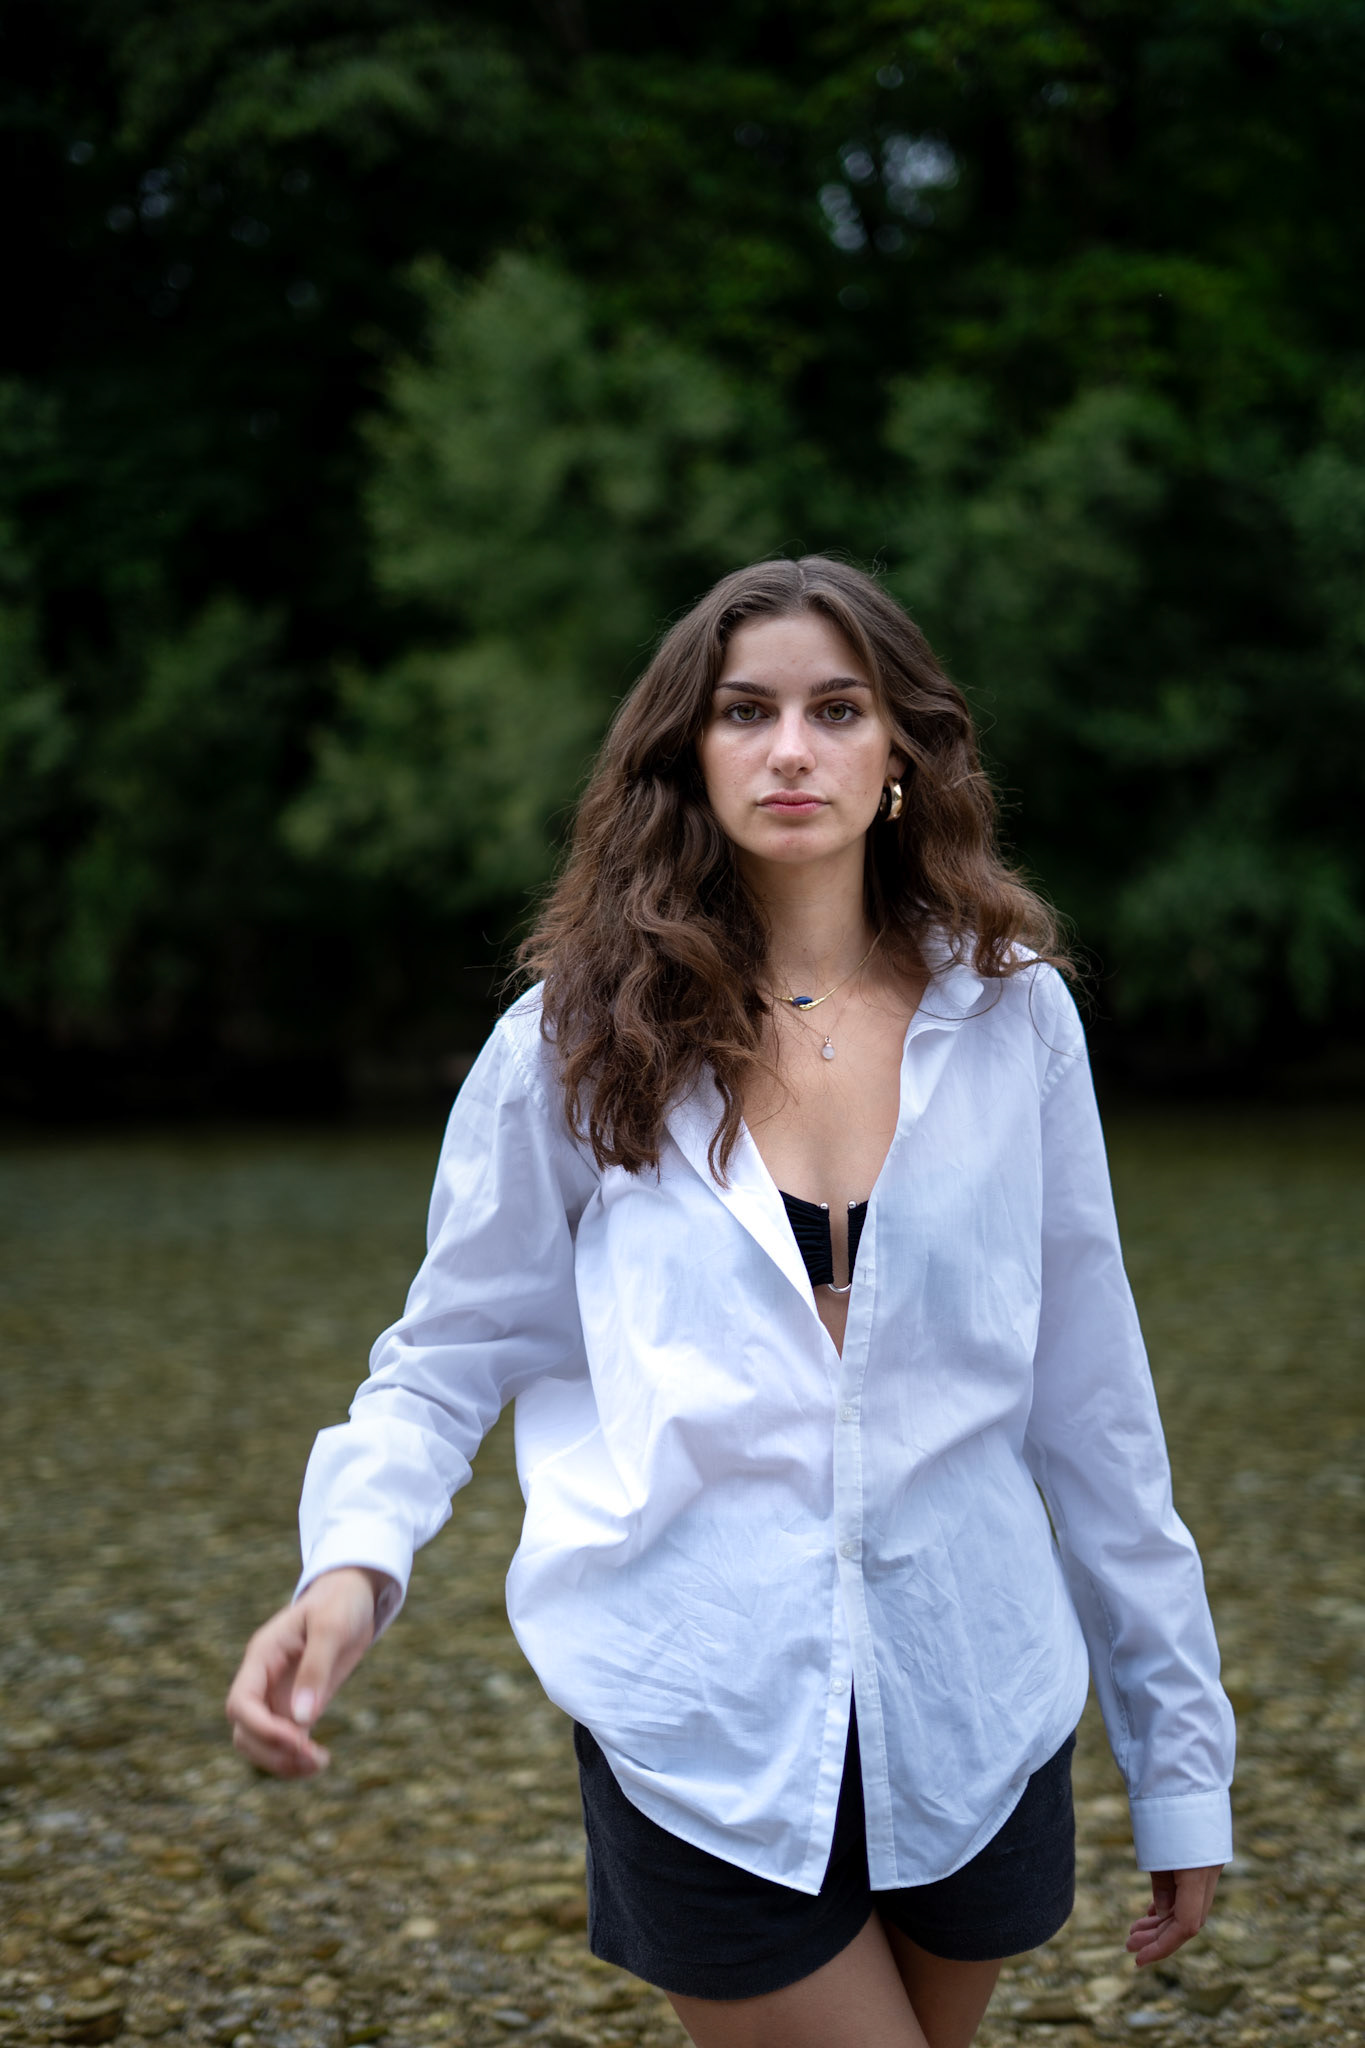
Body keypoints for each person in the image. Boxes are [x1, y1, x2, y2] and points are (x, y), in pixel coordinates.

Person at [226, 557, 1234, 2048]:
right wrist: (350, 1569)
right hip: (699, 1717)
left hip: (976, 1705)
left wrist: (1178, 1762)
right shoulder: (573, 1039)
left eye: (838, 710)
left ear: (901, 753)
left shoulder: (1015, 1014)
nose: (790, 750)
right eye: (745, 712)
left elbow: (1095, 1410)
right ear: (686, 756)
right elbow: (447, 1355)